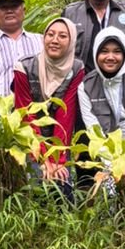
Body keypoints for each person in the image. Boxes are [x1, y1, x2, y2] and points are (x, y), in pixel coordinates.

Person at [13, 16, 83, 196]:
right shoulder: (24, 67)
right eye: (50, 34)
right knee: (37, 184)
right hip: (29, 137)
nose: (54, 40)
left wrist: (58, 159)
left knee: (62, 187)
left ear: (71, 41)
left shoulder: (76, 68)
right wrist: (43, 158)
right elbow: (25, 114)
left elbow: (65, 115)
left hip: (59, 139)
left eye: (62, 36)